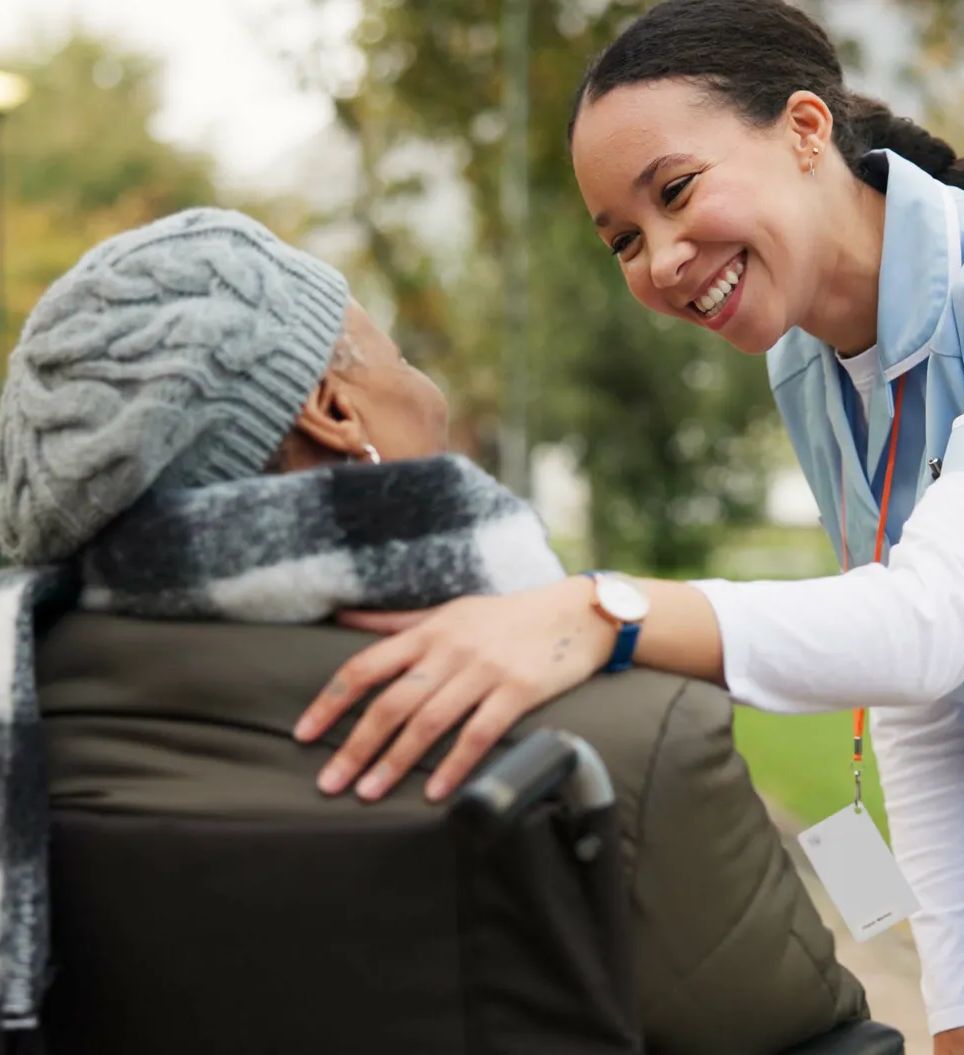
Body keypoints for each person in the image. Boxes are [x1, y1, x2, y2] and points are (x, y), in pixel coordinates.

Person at [290, 2, 964, 1054]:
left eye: (675, 190)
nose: (662, 258)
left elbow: (930, 622)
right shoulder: (807, 364)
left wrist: (605, 611)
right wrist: (955, 1008)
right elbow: (919, 696)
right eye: (624, 239)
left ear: (807, 129)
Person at [0, 207, 876, 1054]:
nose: (433, 390)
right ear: (333, 410)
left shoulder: (31, 725)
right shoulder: (619, 747)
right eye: (400, 355)